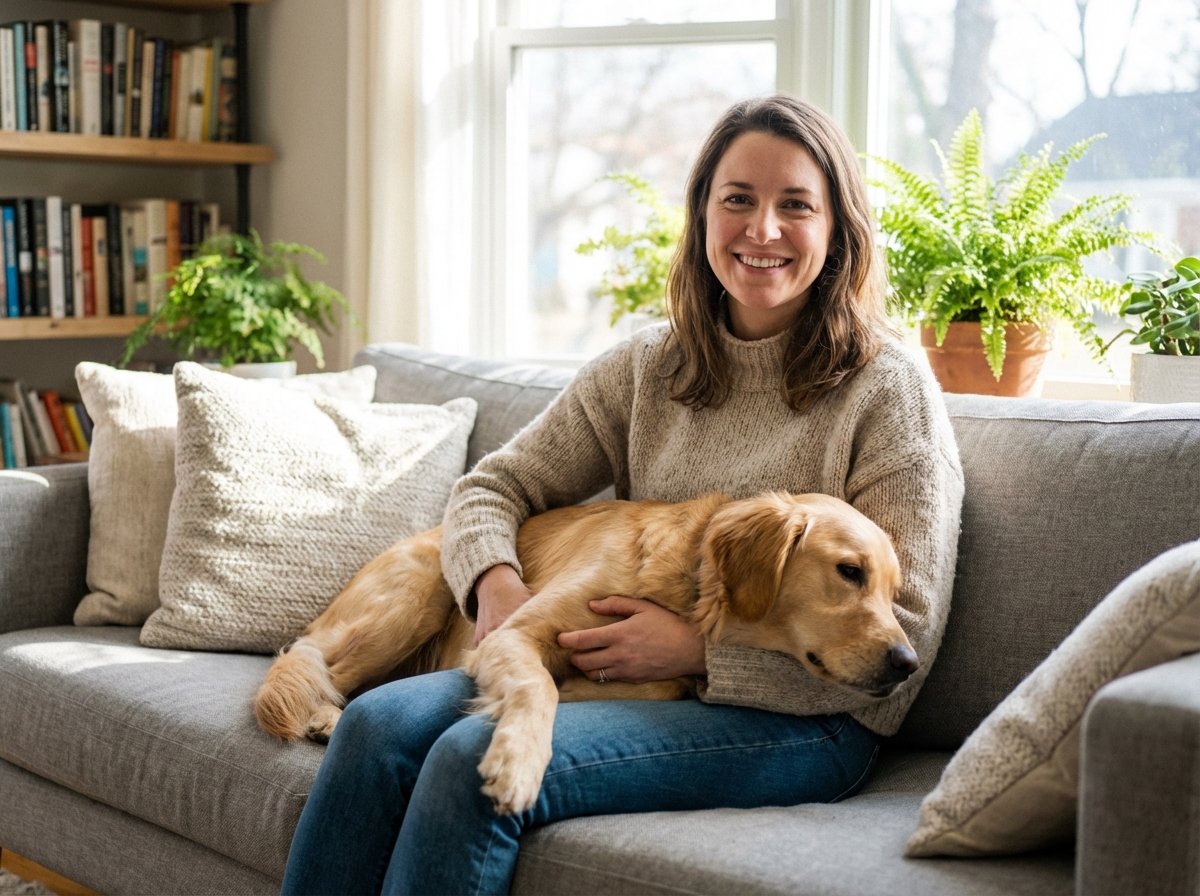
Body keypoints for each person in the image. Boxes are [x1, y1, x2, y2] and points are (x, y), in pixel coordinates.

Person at [280, 94, 964, 896]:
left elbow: (904, 643)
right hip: (613, 674)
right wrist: (496, 586)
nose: (763, 230)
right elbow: (492, 487)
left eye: (796, 206)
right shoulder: (649, 366)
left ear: (838, 229)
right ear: (702, 213)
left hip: (808, 720)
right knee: (374, 725)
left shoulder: (888, 390)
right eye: (737, 199)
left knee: (472, 759)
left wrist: (700, 653)